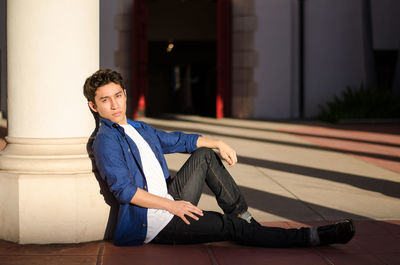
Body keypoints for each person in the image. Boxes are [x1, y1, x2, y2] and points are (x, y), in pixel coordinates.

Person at [83, 69, 355, 247]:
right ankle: (313, 237)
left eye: (118, 95)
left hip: (169, 198)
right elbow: (124, 191)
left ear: (125, 94)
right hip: (155, 222)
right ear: (94, 106)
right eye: (105, 100)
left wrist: (218, 142)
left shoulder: (139, 128)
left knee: (203, 154)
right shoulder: (106, 140)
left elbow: (180, 140)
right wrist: (173, 207)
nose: (115, 105)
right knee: (230, 227)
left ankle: (245, 217)